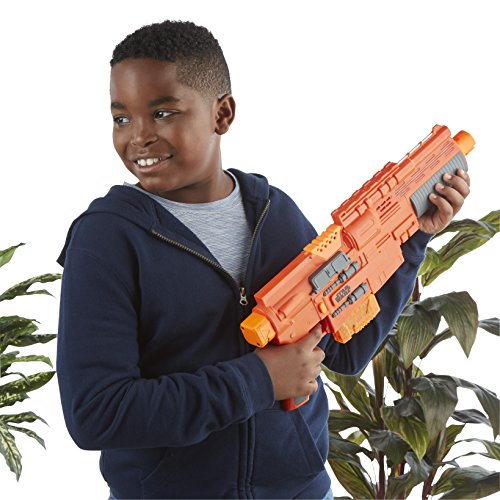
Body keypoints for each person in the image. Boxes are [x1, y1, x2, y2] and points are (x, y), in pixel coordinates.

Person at [56, 20, 471, 500]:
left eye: (163, 113)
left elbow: (349, 351)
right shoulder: (105, 239)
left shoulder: (275, 213)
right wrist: (259, 380)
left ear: (222, 114)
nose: (139, 137)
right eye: (122, 118)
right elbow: (97, 413)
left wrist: (414, 239)